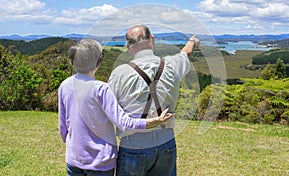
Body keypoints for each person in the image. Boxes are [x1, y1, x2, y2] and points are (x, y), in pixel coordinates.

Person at [58, 39, 173, 176]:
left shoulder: (65, 85)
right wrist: (156, 121)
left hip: (74, 159)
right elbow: (125, 124)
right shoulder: (101, 89)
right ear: (98, 62)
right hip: (100, 162)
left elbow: (63, 127)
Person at [108, 25, 200, 176]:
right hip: (167, 143)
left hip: (133, 145)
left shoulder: (120, 73)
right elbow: (186, 53)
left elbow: (107, 108)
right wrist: (192, 40)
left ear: (127, 46)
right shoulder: (172, 64)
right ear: (152, 39)